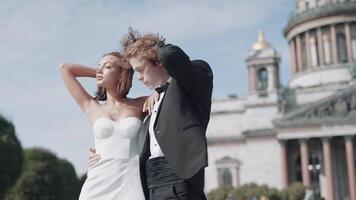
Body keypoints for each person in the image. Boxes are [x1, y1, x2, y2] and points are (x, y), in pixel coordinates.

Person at [124, 30, 213, 200]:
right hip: (151, 186)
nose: (139, 78)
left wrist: (151, 47)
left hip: (179, 182)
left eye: (141, 70)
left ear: (159, 62)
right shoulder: (154, 100)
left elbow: (169, 54)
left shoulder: (193, 80)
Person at [60, 52, 148, 199]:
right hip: (98, 180)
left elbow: (169, 90)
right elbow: (65, 69)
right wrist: (100, 73)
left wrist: (157, 93)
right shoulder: (92, 106)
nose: (99, 70)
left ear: (122, 73)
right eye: (98, 67)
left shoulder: (140, 104)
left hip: (130, 180)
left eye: (107, 67)